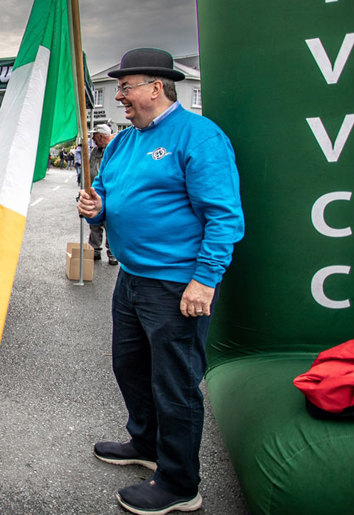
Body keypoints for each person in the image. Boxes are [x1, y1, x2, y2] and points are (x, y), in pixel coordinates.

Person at [77, 48, 244, 515]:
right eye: (119, 88)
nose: (120, 96)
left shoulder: (199, 135)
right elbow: (106, 193)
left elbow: (224, 216)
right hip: (131, 277)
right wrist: (98, 207)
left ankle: (179, 484)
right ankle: (145, 442)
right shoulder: (126, 141)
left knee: (175, 383)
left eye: (125, 87)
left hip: (176, 283)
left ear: (156, 87)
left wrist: (205, 281)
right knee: (129, 366)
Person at [87, 123, 117, 266]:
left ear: (101, 136)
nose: (93, 138)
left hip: (110, 195)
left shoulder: (114, 150)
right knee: (94, 223)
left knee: (110, 225)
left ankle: (112, 254)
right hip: (94, 192)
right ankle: (94, 250)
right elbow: (90, 168)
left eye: (94, 136)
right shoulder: (95, 151)